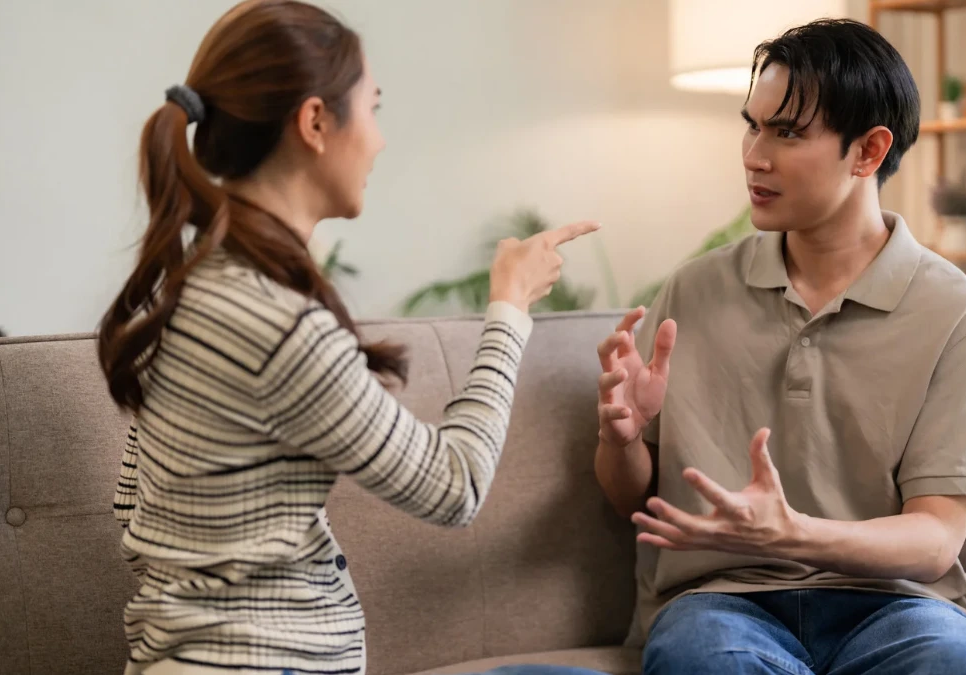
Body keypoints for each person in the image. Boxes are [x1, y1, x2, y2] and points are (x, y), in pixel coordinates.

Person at [100, 2, 604, 673]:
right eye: (373, 106)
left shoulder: (187, 287)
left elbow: (131, 501)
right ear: (315, 122)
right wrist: (509, 308)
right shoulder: (278, 322)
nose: (380, 139)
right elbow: (455, 486)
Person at [593, 18, 966, 675]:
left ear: (868, 151)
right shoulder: (692, 291)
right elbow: (633, 500)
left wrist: (793, 531)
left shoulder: (958, 315)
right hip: (719, 602)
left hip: (895, 605)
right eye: (753, 125)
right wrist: (622, 437)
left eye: (787, 132)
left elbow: (936, 537)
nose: (754, 155)